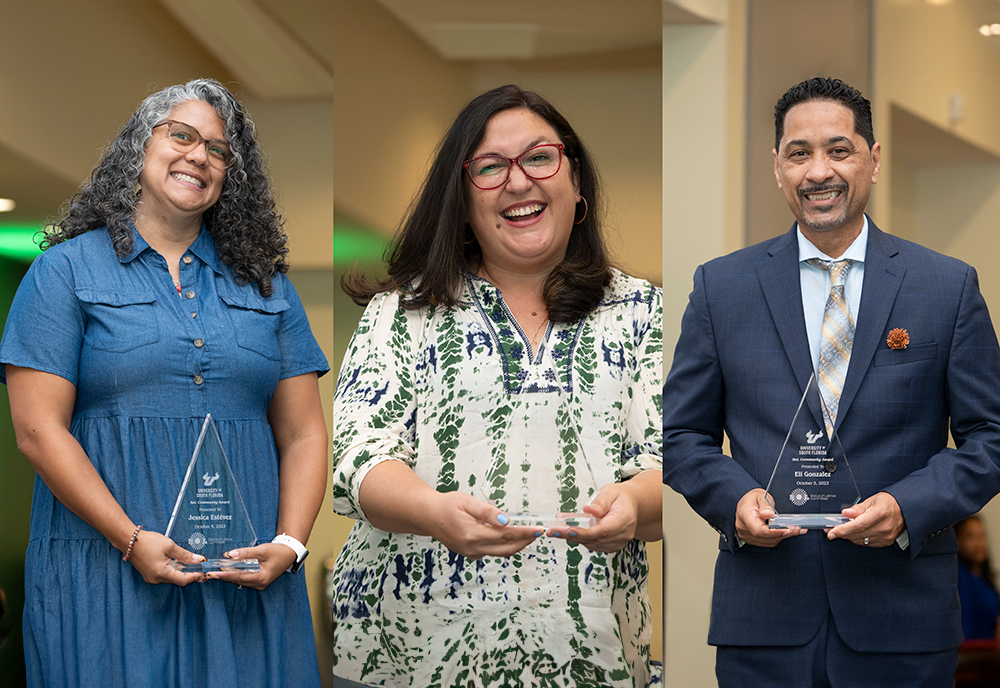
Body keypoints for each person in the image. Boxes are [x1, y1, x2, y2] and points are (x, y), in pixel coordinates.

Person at [662, 76, 1000, 686]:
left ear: (873, 160)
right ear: (777, 167)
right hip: (763, 619)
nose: (819, 171)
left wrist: (907, 506)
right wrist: (731, 499)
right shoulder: (722, 287)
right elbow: (681, 433)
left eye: (839, 150)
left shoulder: (946, 288)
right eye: (800, 153)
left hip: (902, 619)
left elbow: (992, 436)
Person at [0, 78, 329, 687]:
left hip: (245, 580)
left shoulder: (265, 286)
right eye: (181, 135)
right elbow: (37, 431)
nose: (199, 156)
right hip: (105, 572)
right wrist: (130, 540)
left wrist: (290, 543)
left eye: (218, 149)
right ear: (139, 145)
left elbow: (306, 433)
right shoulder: (62, 273)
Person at [332, 84, 663, 687]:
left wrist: (637, 506)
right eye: (490, 168)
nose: (518, 182)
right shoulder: (398, 315)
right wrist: (432, 512)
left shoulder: (644, 313)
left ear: (576, 178)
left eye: (539, 157)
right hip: (415, 657)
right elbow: (359, 461)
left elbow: (678, 465)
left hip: (592, 655)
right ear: (460, 202)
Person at [956, 515, 1000, 642]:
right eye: (971, 536)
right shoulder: (960, 576)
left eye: (982, 536)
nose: (979, 542)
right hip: (972, 654)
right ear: (958, 540)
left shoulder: (982, 578)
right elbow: (963, 627)